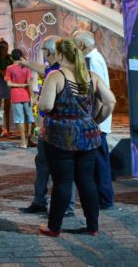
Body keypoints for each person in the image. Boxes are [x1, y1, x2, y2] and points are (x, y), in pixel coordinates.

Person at [37, 37, 115, 237]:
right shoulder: (91, 76)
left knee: (62, 182)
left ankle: (54, 227)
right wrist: (95, 120)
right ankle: (92, 226)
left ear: (61, 55)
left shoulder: (56, 76)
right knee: (86, 181)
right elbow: (110, 101)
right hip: (88, 136)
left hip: (59, 137)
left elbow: (45, 106)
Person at [21, 38, 76, 217]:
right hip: (49, 128)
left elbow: (46, 105)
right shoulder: (54, 70)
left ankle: (66, 207)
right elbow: (42, 69)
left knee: (63, 168)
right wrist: (25, 63)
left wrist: (40, 104)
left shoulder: (59, 73)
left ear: (51, 52)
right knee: (43, 164)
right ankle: (40, 201)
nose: (42, 53)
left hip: (57, 128)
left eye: (43, 50)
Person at [76, 30, 115, 209]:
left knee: (100, 163)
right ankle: (102, 198)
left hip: (96, 123)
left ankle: (105, 199)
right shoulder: (95, 58)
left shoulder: (92, 61)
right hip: (97, 121)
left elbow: (98, 94)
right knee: (98, 162)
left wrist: (95, 120)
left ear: (82, 45)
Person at [5, 48, 35, 149]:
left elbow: (9, 84)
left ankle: (23, 142)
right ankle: (29, 140)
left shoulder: (9, 68)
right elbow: (29, 83)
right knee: (30, 118)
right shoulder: (26, 67)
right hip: (26, 95)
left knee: (20, 119)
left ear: (11, 57)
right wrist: (32, 96)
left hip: (16, 95)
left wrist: (19, 85)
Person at [0, 38, 13, 137]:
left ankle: (7, 129)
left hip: (7, 83)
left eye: (7, 48)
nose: (6, 50)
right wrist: (3, 73)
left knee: (8, 107)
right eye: (4, 49)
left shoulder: (9, 58)